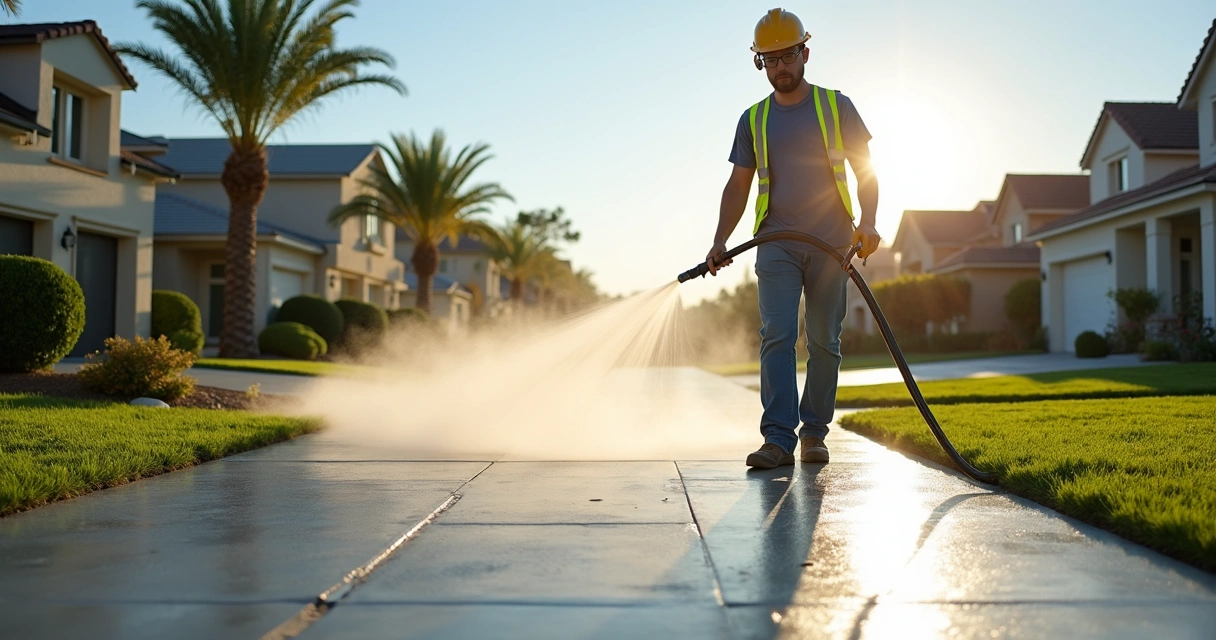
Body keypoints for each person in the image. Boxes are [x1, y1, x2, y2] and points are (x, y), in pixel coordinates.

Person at [705, 8, 881, 469]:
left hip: (832, 242)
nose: (780, 67)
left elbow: (865, 170)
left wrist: (870, 220)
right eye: (770, 60)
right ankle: (778, 439)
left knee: (824, 340)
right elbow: (738, 185)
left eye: (788, 56)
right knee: (777, 335)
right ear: (759, 62)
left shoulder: (835, 105)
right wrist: (720, 239)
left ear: (805, 52)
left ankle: (814, 434)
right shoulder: (753, 119)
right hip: (777, 241)